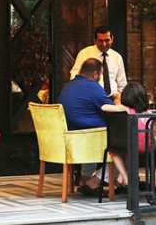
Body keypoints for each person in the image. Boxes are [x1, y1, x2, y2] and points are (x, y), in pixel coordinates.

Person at [58, 58, 127, 192]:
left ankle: (85, 178)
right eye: (100, 75)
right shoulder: (92, 86)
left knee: (101, 135)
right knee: (125, 141)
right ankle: (97, 180)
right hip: (88, 137)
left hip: (72, 138)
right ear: (95, 74)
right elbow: (111, 108)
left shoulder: (69, 86)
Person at [107, 83, 153, 186]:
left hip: (132, 146)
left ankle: (124, 176)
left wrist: (122, 107)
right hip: (150, 147)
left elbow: (104, 107)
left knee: (114, 150)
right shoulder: (149, 112)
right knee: (128, 150)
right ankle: (123, 177)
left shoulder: (127, 110)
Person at [70, 25, 127, 100]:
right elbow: (74, 77)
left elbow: (122, 83)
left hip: (113, 99)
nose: (104, 44)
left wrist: (118, 99)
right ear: (95, 40)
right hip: (91, 98)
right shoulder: (84, 54)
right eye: (100, 41)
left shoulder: (117, 57)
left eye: (107, 40)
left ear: (112, 39)